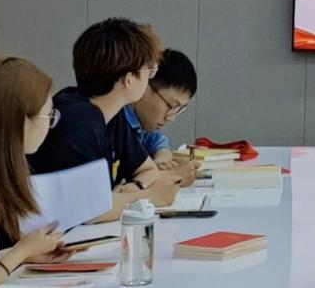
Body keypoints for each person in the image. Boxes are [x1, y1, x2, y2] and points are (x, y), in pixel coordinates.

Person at [27, 18, 179, 222]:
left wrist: (135, 187)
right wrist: (150, 197)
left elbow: (148, 170)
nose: (149, 78)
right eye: (148, 71)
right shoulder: (77, 121)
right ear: (129, 79)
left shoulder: (114, 113)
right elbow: (89, 211)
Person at [0, 55, 81, 287]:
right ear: (19, 121)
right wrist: (21, 251)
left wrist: (26, 254)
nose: (50, 125)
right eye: (48, 116)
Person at [125, 49, 200, 183]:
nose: (171, 118)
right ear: (145, 84)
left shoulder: (143, 124)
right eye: (171, 106)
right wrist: (172, 175)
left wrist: (162, 160)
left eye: (179, 110)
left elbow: (159, 143)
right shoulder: (117, 121)